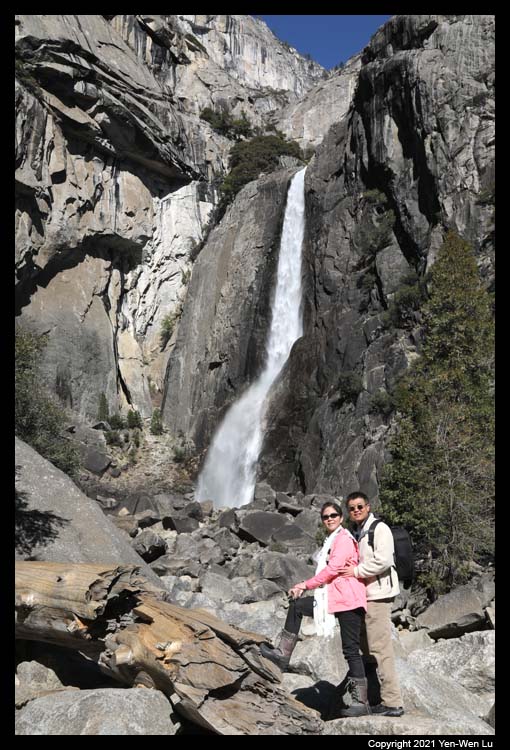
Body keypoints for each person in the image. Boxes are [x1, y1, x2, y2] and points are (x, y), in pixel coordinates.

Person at [260, 501, 371, 717]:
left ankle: (361, 702)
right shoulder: (332, 540)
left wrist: (304, 585)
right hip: (333, 598)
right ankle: (282, 654)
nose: (329, 519)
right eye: (325, 517)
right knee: (297, 606)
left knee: (351, 649)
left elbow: (333, 569)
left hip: (349, 600)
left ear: (341, 518)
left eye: (333, 515)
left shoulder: (344, 539)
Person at [340, 491, 404, 717]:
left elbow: (384, 561)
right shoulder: (357, 532)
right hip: (363, 597)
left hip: (378, 596)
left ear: (368, 506)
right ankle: (375, 699)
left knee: (380, 649)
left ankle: (393, 702)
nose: (356, 510)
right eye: (352, 508)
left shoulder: (380, 528)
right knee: (367, 650)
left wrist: (356, 571)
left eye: (360, 506)